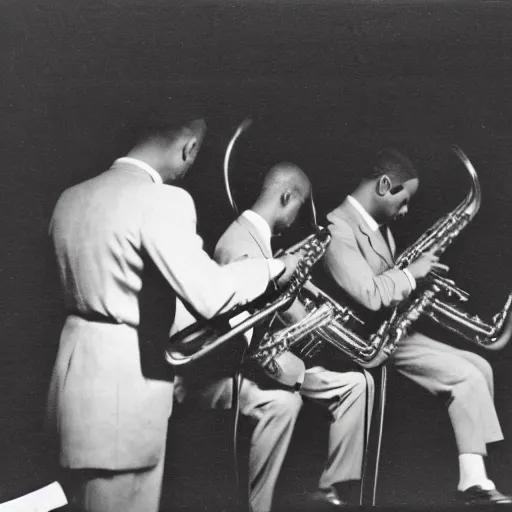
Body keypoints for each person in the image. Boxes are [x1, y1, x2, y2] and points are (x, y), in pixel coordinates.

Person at [46, 119, 289, 512]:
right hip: (125, 394)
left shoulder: (70, 196)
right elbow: (210, 294)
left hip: (69, 387)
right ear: (188, 148)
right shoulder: (162, 200)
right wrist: (272, 269)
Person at [174, 162, 374, 512]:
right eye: (300, 205)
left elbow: (271, 307)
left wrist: (307, 314)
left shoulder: (261, 241)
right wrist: (295, 370)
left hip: (266, 359)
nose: (298, 217)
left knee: (357, 384)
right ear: (286, 197)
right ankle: (259, 506)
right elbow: (242, 338)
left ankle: (331, 490)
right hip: (244, 368)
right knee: (286, 402)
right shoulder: (238, 243)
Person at [322, 147, 511, 504]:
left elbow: (390, 283)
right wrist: (411, 274)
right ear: (383, 185)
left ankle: (478, 466)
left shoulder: (379, 230)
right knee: (465, 377)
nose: (406, 209)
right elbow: (370, 294)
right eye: (404, 199)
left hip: (394, 334)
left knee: (481, 366)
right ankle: (473, 484)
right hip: (366, 342)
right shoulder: (337, 228)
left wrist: (419, 282)